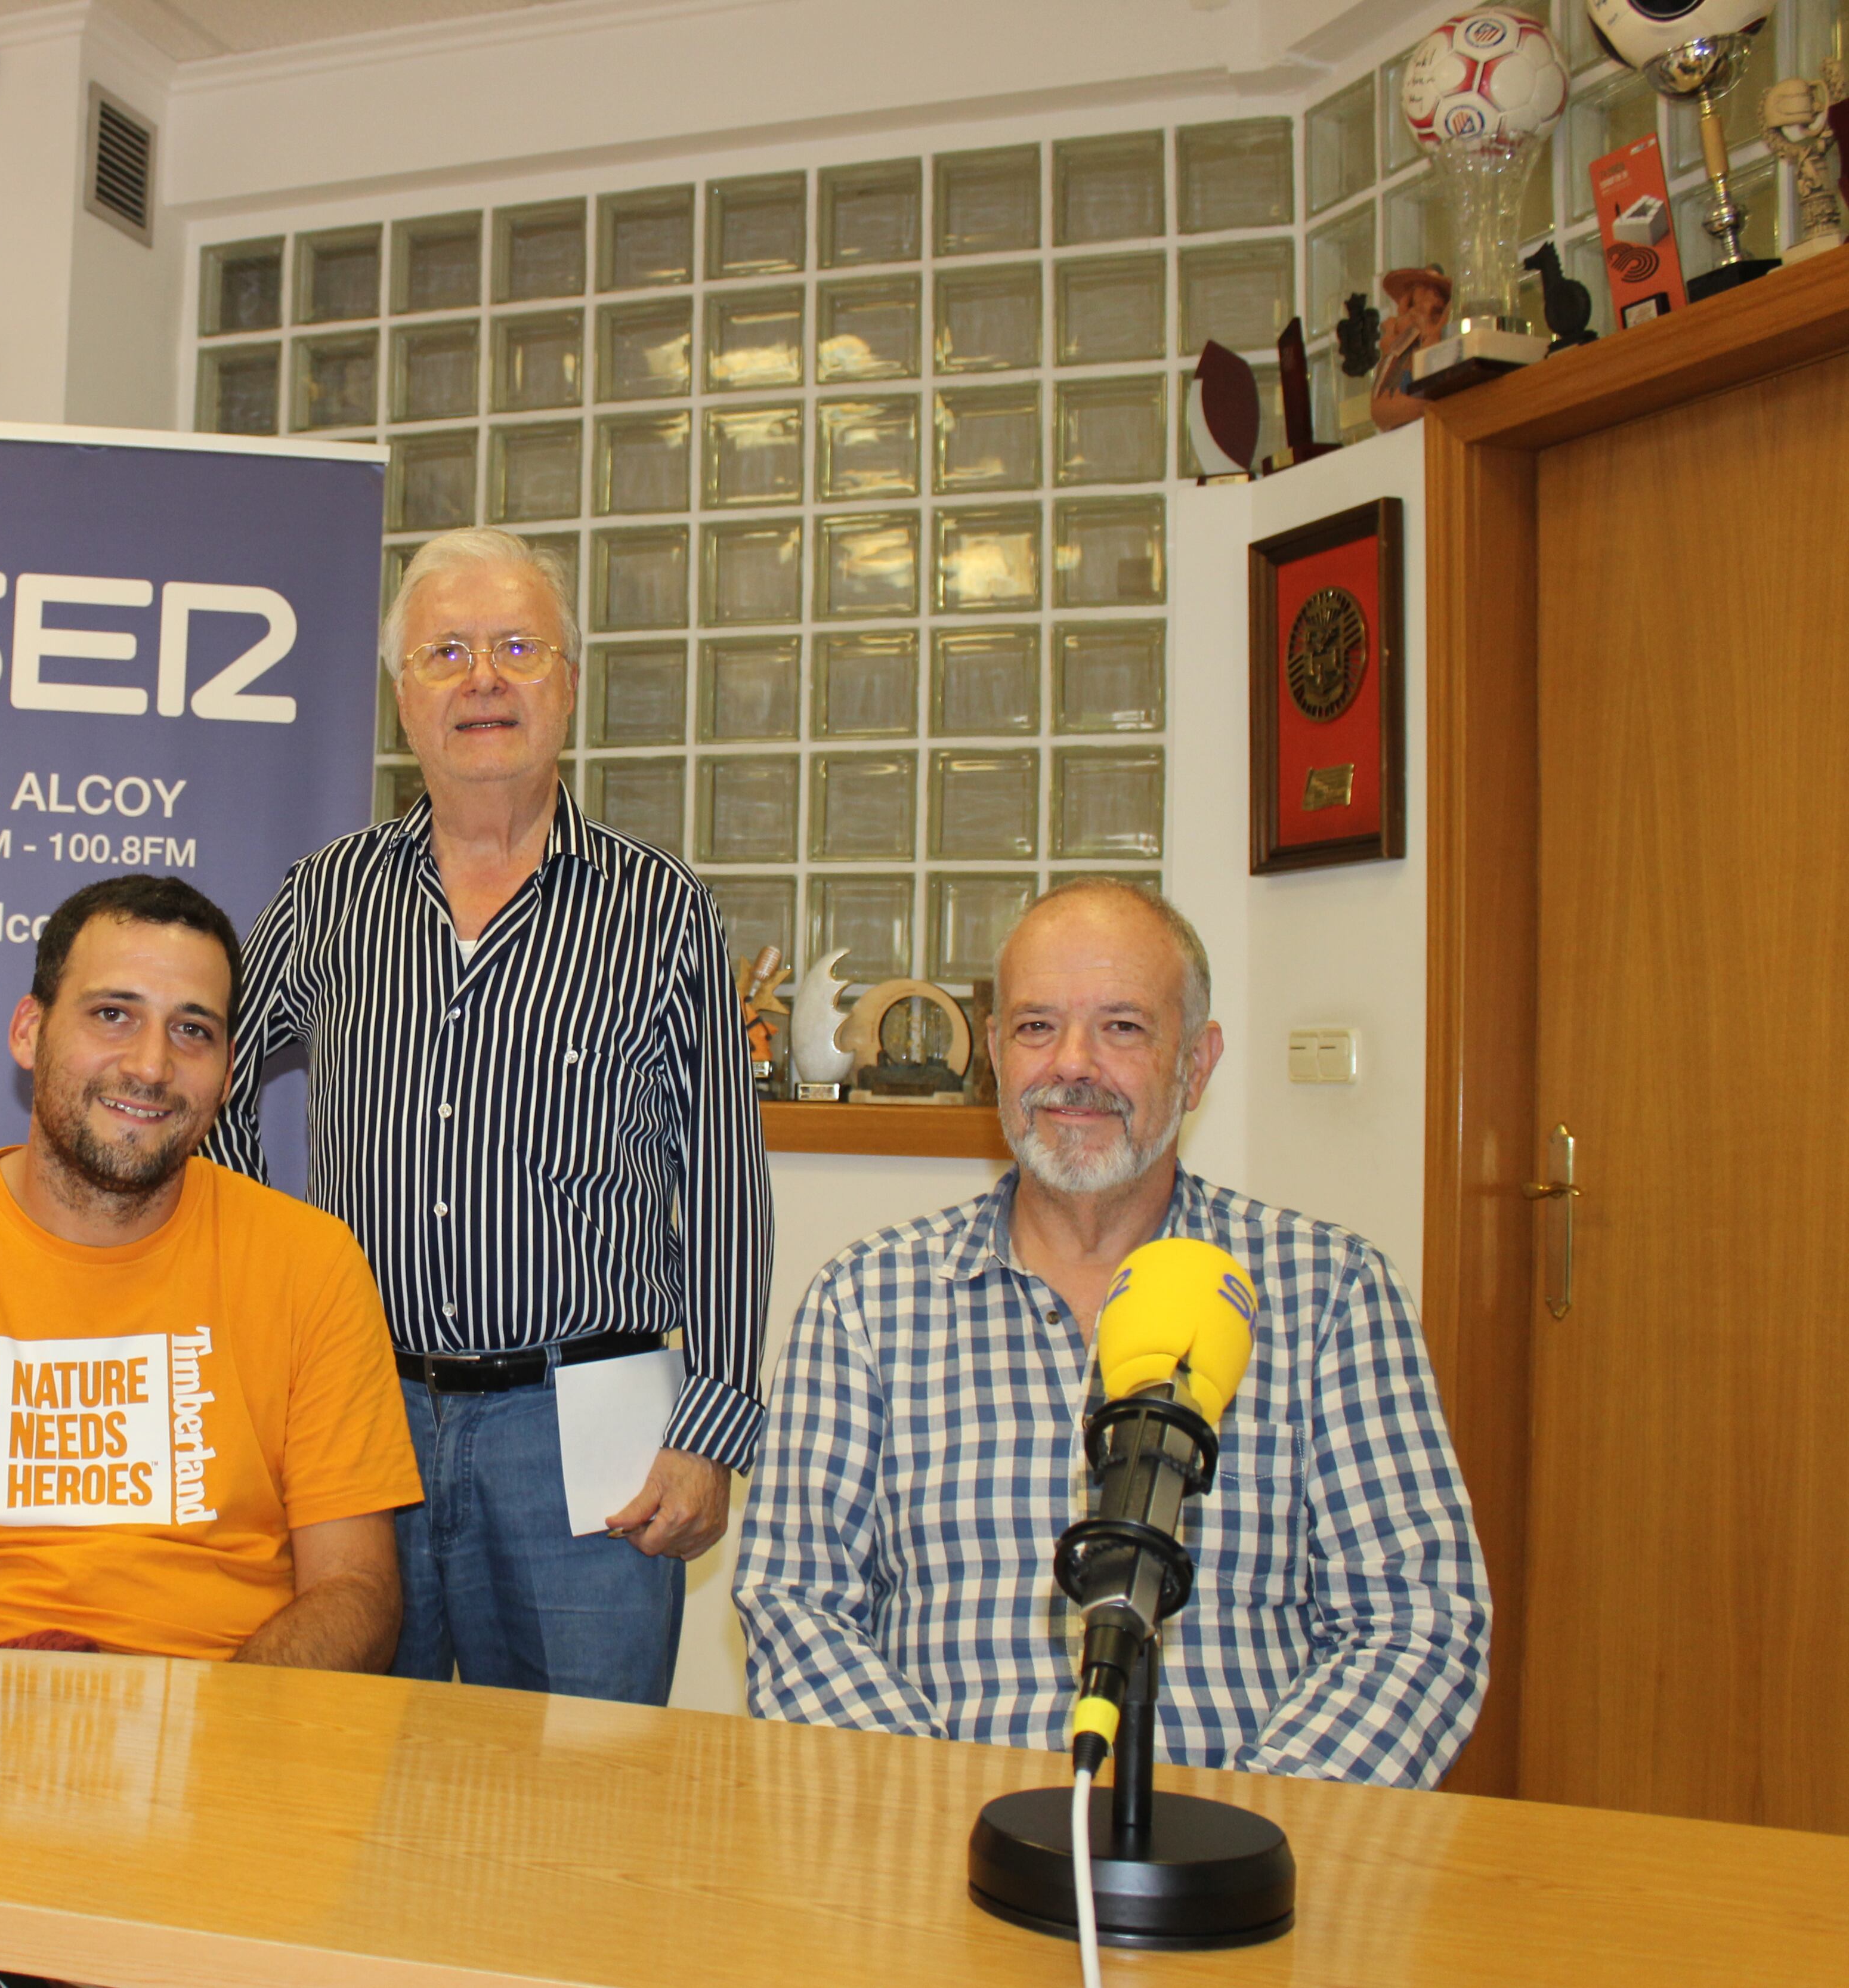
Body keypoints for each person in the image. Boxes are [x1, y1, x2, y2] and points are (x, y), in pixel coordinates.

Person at [734, 877, 1491, 1786]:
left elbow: (1418, 1621)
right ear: (994, 1059)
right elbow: (793, 1600)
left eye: (1123, 1026)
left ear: (1197, 1064)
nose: (1073, 1065)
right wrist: (936, 1819)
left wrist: (1245, 1828)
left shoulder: (1329, 1294)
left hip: (1236, 1871)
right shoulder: (864, 1303)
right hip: (935, 1867)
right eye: (1035, 1026)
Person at [209, 527, 771, 1706]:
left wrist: (712, 1421)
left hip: (594, 1426)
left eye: (519, 646)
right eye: (446, 651)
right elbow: (207, 1073)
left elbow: (722, 1173)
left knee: (587, 1800)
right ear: (401, 696)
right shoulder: (328, 895)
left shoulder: (658, 907)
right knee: (359, 1789)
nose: (484, 679)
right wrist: (272, 1273)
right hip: (365, 1418)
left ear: (568, 681)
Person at [0, 874, 421, 1669]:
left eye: (194, 1030)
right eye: (113, 1014)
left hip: (235, 1724)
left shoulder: (313, 1265)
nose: (151, 1066)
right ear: (28, 1030)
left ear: (228, 1074)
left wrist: (207, 1751)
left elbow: (356, 1589)